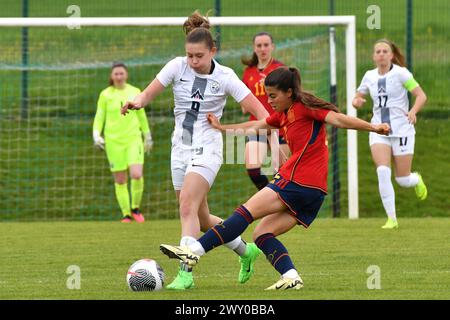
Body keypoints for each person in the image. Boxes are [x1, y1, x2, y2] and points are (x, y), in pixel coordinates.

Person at [159, 66, 390, 290]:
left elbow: (340, 119)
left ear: (289, 92)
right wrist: (222, 128)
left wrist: (374, 127)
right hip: (315, 192)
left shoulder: (305, 108)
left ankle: (194, 251)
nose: (269, 101)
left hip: (297, 181)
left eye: (273, 96)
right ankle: (291, 276)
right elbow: (255, 125)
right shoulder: (282, 115)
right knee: (261, 234)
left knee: (245, 212)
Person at [121, 11, 270, 290]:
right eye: (189, 55)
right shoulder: (177, 66)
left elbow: (261, 113)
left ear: (213, 50)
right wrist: (136, 101)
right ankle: (245, 252)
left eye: (199, 56)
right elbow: (148, 93)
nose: (193, 61)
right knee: (201, 219)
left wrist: (251, 132)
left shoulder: (226, 77)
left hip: (208, 149)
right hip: (180, 147)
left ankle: (185, 273)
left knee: (186, 205)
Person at [352, 39, 428, 229]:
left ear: (391, 55)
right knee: (382, 171)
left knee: (402, 179)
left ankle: (416, 179)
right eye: (377, 51)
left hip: (402, 129)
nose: (381, 54)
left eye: (385, 51)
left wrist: (413, 111)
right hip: (379, 129)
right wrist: (357, 102)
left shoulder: (401, 74)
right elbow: (358, 96)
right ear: (373, 56)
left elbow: (421, 95)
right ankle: (392, 219)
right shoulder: (369, 76)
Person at [93, 62, 152, 223]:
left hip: (133, 138)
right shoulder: (105, 94)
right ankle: (126, 215)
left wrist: (147, 135)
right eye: (116, 74)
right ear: (111, 76)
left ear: (126, 75)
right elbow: (100, 116)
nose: (119, 76)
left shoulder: (135, 92)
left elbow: (141, 116)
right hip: (113, 141)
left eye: (121, 73)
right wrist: (96, 134)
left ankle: (135, 209)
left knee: (136, 174)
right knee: (120, 179)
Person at [241, 32, 289, 190]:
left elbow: (290, 98)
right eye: (259, 45)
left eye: (266, 45)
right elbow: (244, 105)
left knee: (281, 173)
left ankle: (282, 204)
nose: (263, 49)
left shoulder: (280, 69)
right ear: (254, 48)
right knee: (253, 168)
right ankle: (268, 196)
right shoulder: (249, 72)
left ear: (272, 47)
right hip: (258, 125)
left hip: (279, 126)